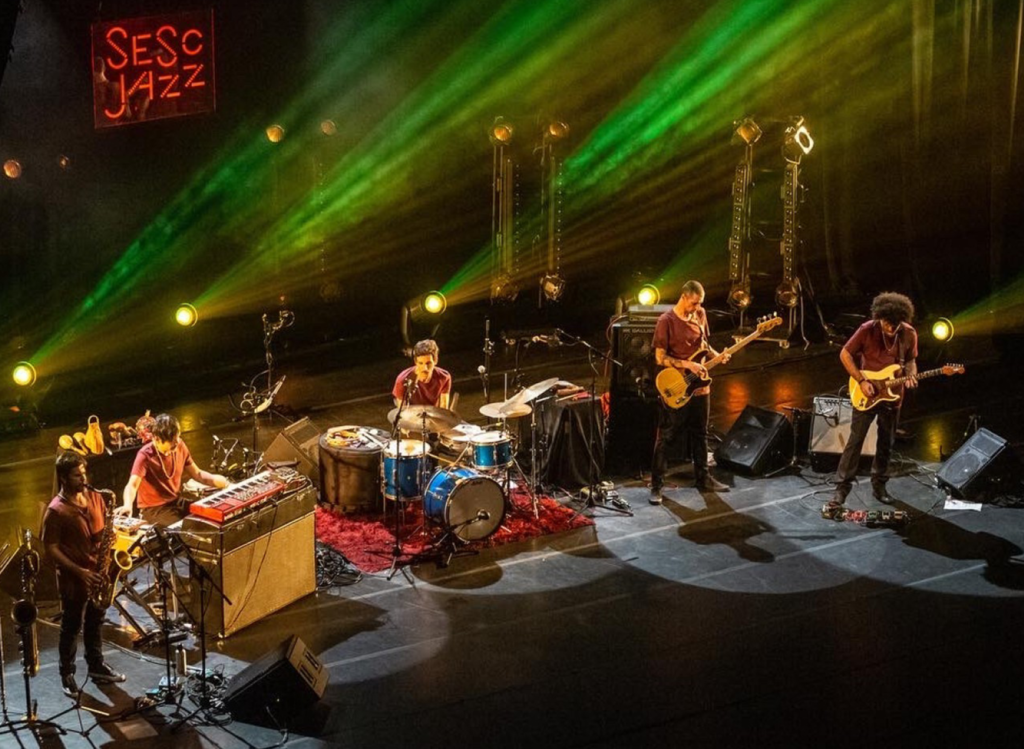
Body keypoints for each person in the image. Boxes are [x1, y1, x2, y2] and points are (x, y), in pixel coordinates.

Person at [41, 451, 127, 698]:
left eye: (84, 473)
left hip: (99, 573)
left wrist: (111, 537)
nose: (84, 478)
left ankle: (96, 665)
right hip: (74, 579)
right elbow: (51, 548)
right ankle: (67, 674)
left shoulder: (95, 497)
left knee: (95, 622)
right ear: (63, 478)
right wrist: (79, 571)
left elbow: (101, 531)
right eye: (77, 475)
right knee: (71, 626)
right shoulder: (56, 511)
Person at [831, 291, 918, 506]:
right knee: (855, 441)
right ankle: (841, 489)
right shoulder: (867, 329)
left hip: (893, 396)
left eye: (895, 325)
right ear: (880, 318)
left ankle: (879, 486)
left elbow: (910, 361)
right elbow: (845, 354)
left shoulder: (909, 333)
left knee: (886, 443)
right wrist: (861, 380)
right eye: (887, 323)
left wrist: (911, 374)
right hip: (867, 393)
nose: (891, 328)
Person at [650, 280, 730, 503]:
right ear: (684, 297)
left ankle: (703, 479)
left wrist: (717, 355)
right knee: (667, 436)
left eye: (700, 303)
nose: (697, 307)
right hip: (678, 386)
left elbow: (704, 346)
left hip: (700, 387)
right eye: (694, 303)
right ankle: (656, 486)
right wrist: (687, 364)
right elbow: (660, 358)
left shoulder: (700, 315)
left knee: (700, 433)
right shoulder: (666, 321)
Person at [116, 413, 228, 527]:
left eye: (177, 437)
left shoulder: (180, 445)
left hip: (176, 502)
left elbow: (198, 474)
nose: (177, 442)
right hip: (154, 510)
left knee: (209, 517)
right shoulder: (145, 455)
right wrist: (127, 505)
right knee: (183, 529)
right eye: (172, 441)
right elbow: (132, 485)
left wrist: (222, 482)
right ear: (157, 439)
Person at [392, 339, 452, 409]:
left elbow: (444, 408)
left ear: (435, 361)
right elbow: (402, 410)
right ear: (415, 362)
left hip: (433, 414)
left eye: (428, 363)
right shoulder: (402, 380)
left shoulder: (444, 377)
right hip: (411, 414)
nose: (425, 368)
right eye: (421, 363)